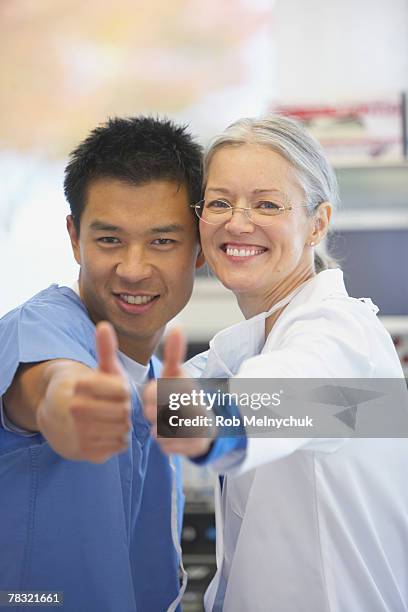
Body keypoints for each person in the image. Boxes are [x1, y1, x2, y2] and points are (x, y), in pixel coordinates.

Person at [144, 116, 408, 611]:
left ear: (318, 223)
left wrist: (197, 421)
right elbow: (155, 394)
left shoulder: (343, 335)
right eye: (220, 202)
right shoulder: (247, 344)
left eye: (267, 204)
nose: (238, 222)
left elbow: (284, 398)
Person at [0, 116, 205, 612]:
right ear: (74, 237)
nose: (133, 269)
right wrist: (67, 407)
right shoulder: (39, 330)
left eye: (162, 240)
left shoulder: (158, 372)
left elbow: (359, 411)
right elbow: (53, 385)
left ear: (200, 248)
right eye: (109, 239)